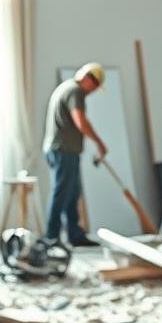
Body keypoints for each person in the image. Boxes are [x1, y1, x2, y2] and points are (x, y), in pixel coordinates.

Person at [42, 63, 107, 247]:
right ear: (88, 79)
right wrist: (99, 143)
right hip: (62, 150)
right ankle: (52, 238)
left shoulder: (67, 87)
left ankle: (74, 234)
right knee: (61, 193)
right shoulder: (75, 91)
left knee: (72, 193)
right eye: (95, 87)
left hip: (62, 149)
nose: (93, 91)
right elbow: (80, 121)